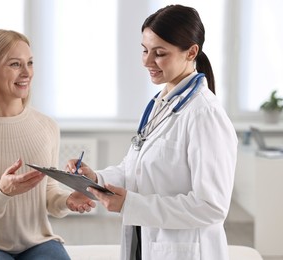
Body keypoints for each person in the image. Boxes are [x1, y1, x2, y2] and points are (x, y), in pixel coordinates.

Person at [67, 5, 238, 260]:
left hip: (184, 251)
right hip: (144, 242)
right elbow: (134, 170)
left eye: (159, 53)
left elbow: (211, 206)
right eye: (145, 50)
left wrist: (131, 204)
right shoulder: (162, 104)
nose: (147, 61)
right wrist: (96, 179)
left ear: (191, 52)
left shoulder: (204, 114)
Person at [0, 29, 95, 260]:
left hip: (36, 241)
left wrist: (66, 200)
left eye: (30, 63)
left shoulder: (46, 126)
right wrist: (1, 192)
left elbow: (48, 196)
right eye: (15, 64)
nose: (27, 73)